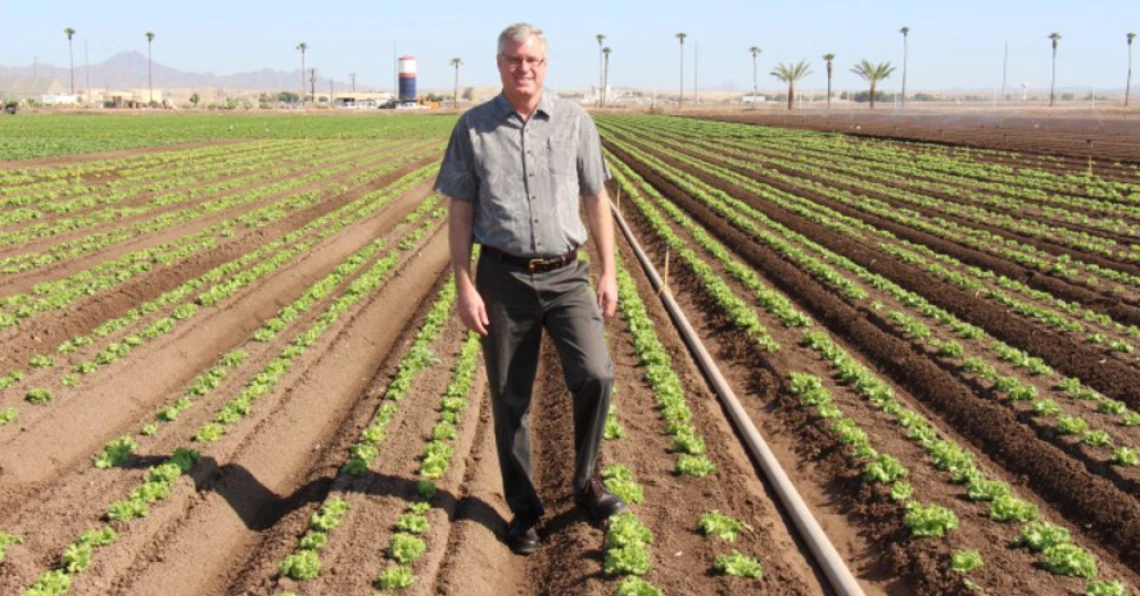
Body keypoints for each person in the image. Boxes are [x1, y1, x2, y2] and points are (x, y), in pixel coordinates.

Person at [434, 22, 627, 556]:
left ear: (546, 64)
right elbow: (461, 211)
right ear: (499, 64)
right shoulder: (472, 129)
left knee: (596, 374)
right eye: (514, 60)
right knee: (510, 396)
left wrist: (608, 271)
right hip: (504, 277)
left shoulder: (575, 122)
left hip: (568, 274)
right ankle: (524, 510)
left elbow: (596, 199)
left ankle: (585, 482)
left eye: (534, 60)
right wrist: (464, 284)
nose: (525, 68)